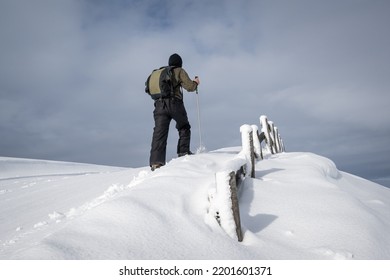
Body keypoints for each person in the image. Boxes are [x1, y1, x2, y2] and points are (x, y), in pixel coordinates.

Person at [149, 53, 200, 171]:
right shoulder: (179, 71)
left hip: (159, 105)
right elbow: (190, 87)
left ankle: (156, 163)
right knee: (184, 126)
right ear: (179, 63)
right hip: (174, 103)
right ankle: (183, 152)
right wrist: (196, 82)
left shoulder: (160, 73)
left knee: (159, 133)